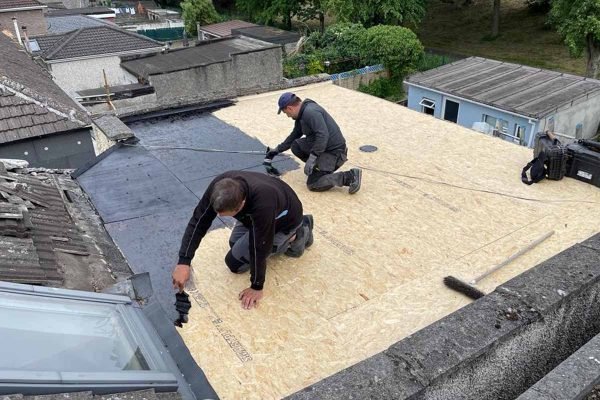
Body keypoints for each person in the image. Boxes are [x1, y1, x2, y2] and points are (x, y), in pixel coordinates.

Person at [172, 170, 314, 310]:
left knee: (235, 264)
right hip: (258, 213)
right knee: (234, 244)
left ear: (241, 204)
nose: (219, 216)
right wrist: (184, 261)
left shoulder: (263, 204)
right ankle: (269, 230)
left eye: (225, 214)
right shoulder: (220, 186)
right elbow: (199, 222)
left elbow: (260, 247)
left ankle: (299, 233)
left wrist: (257, 287)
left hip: (284, 220)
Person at [265, 92, 362, 194]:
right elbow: (294, 136)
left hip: (335, 153)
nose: (288, 116)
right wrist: (277, 150)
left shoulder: (310, 112)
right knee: (296, 146)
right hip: (325, 148)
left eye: (286, 113)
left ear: (290, 108)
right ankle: (319, 168)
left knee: (313, 184)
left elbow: (323, 135)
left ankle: (350, 177)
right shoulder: (302, 114)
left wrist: (312, 158)